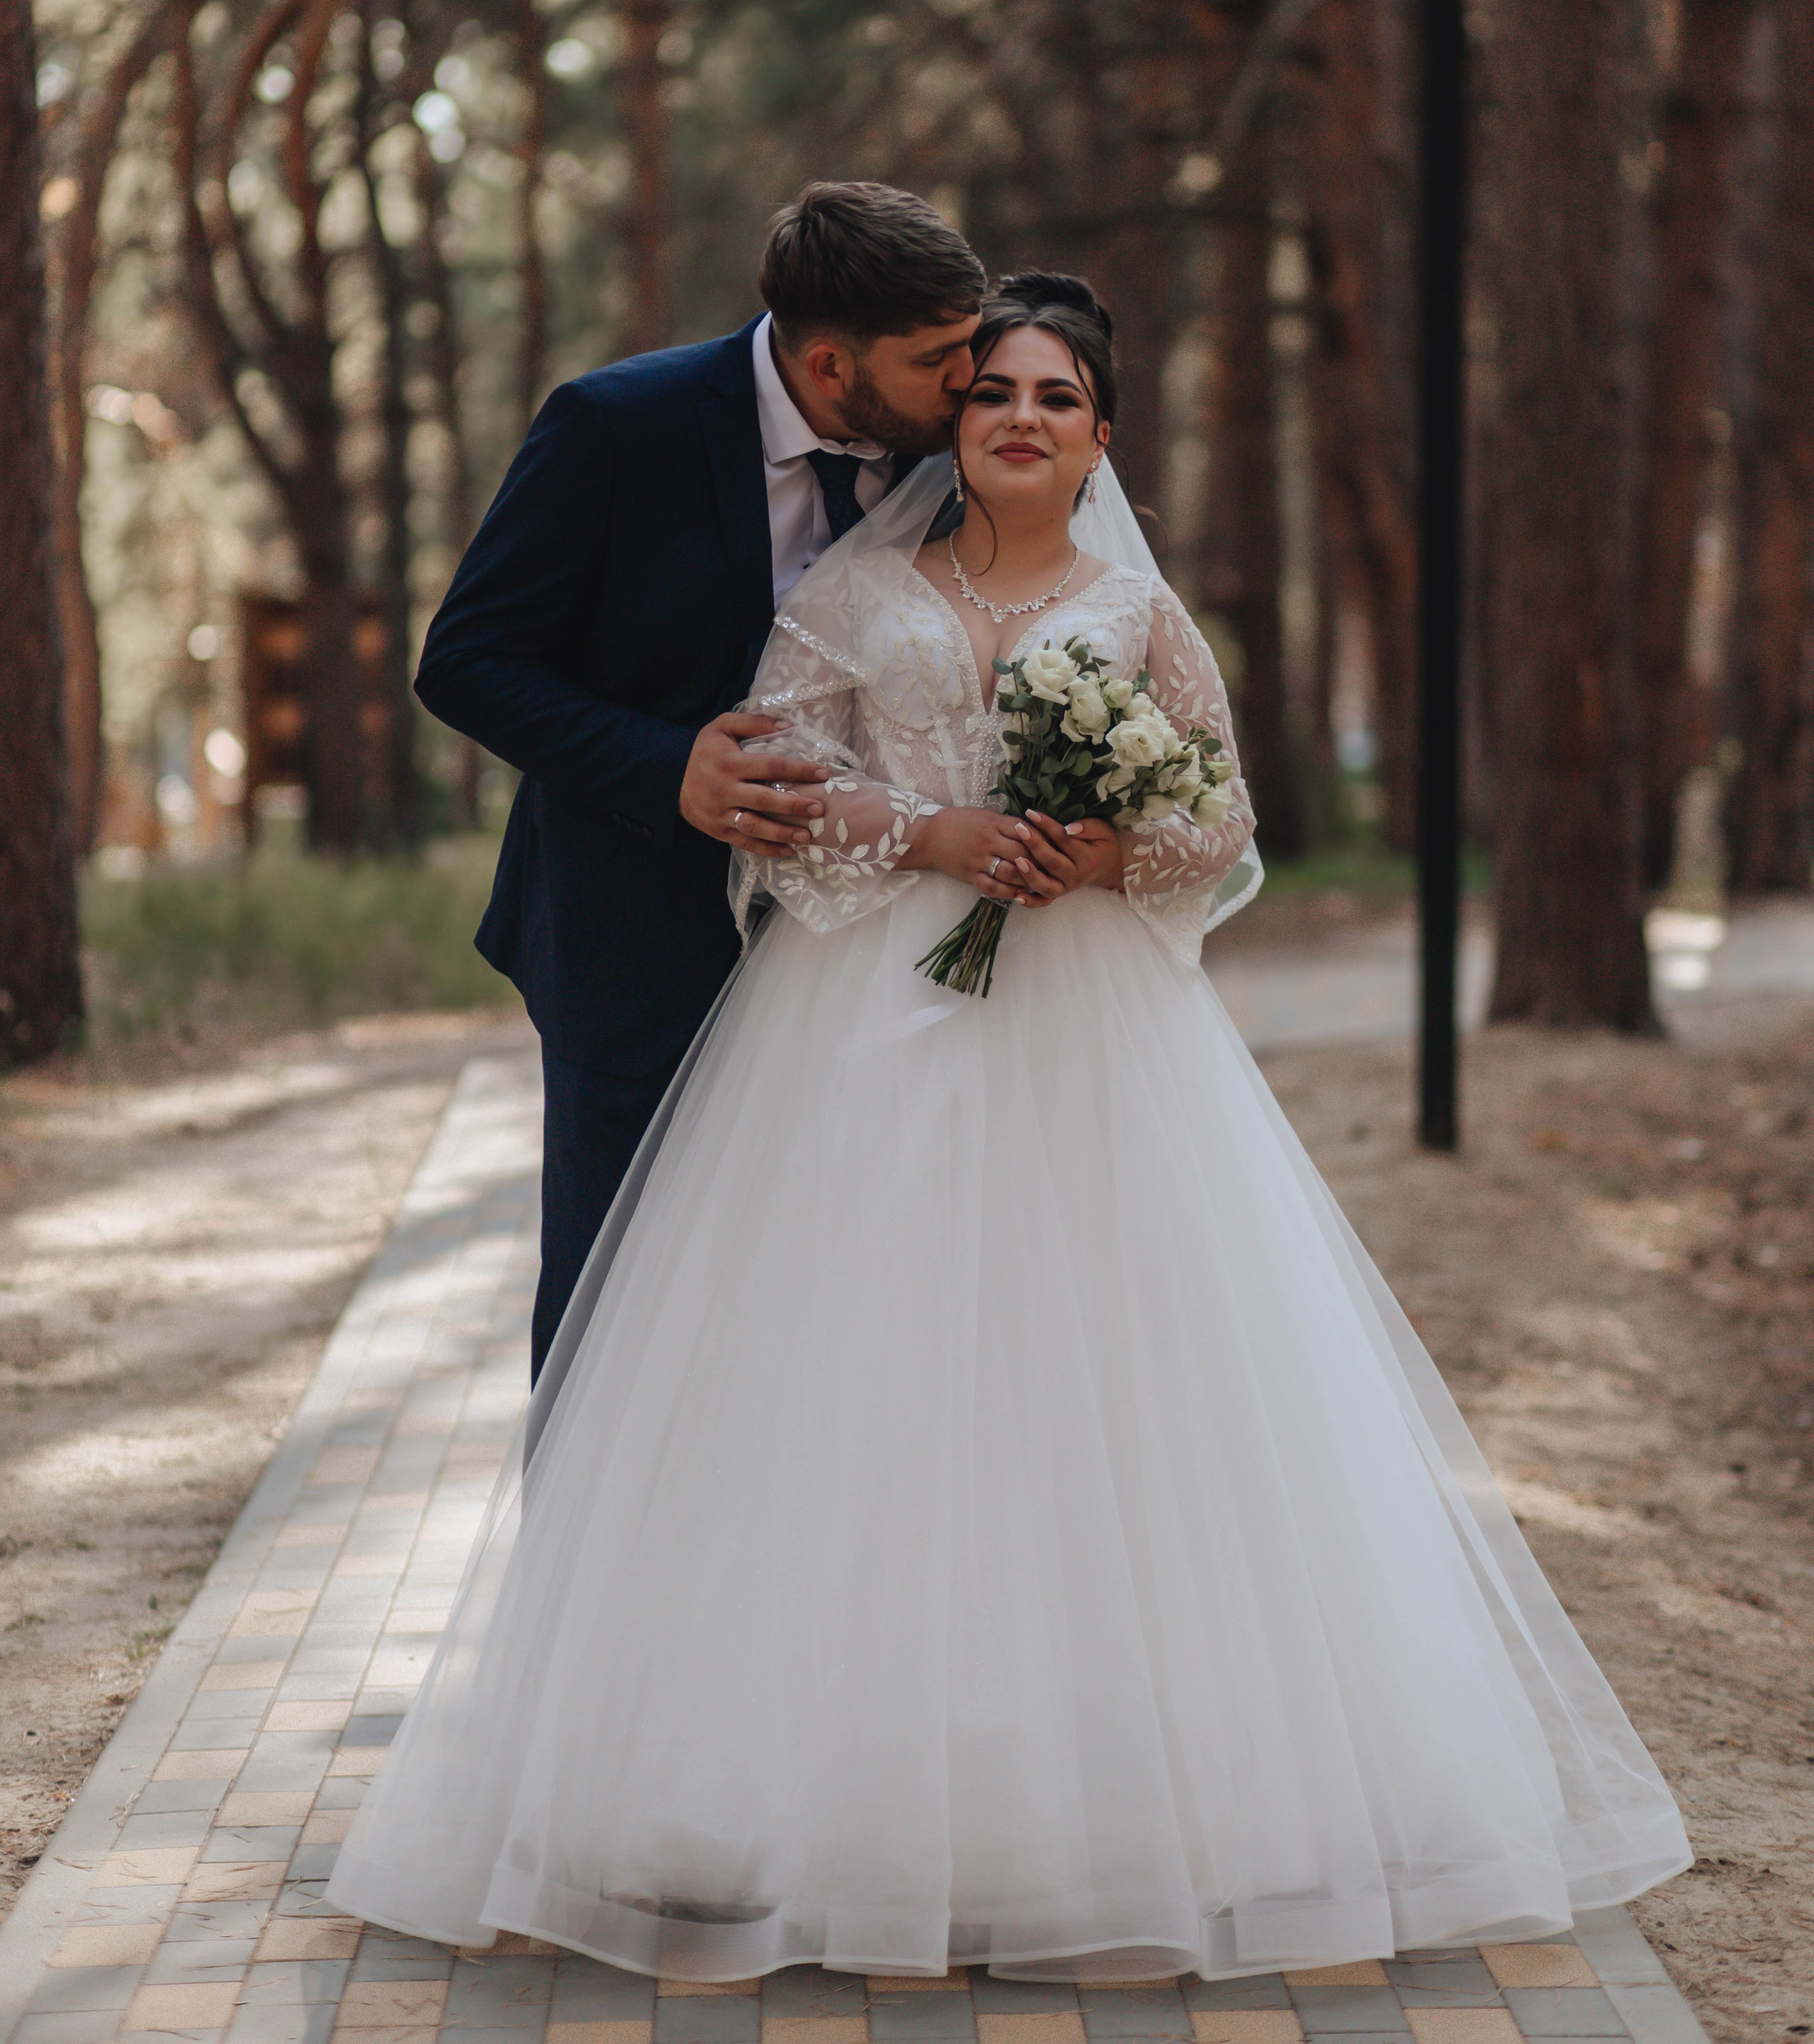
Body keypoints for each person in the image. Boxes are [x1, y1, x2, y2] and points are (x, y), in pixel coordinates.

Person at [336, 271, 1689, 1984]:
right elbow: (777, 790)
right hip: (856, 1018)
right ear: (950, 429)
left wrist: (1106, 855)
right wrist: (933, 839)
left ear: (1101, 435)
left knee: (1096, 1379)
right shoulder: (850, 586)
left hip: (1090, 1032)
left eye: (1056, 399)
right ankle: (772, 1783)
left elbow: (1220, 818)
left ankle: (1096, 1795)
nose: (1021, 419)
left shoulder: (1134, 612)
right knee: (847, 1377)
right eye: (990, 398)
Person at [413, 181, 984, 1376]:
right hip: (635, 941)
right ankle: (587, 1566)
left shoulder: (956, 454)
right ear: (831, 366)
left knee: (836, 1307)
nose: (969, 379)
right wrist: (666, 765)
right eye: (938, 358)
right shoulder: (617, 427)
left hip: (870, 953)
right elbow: (465, 661)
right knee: (620, 1308)